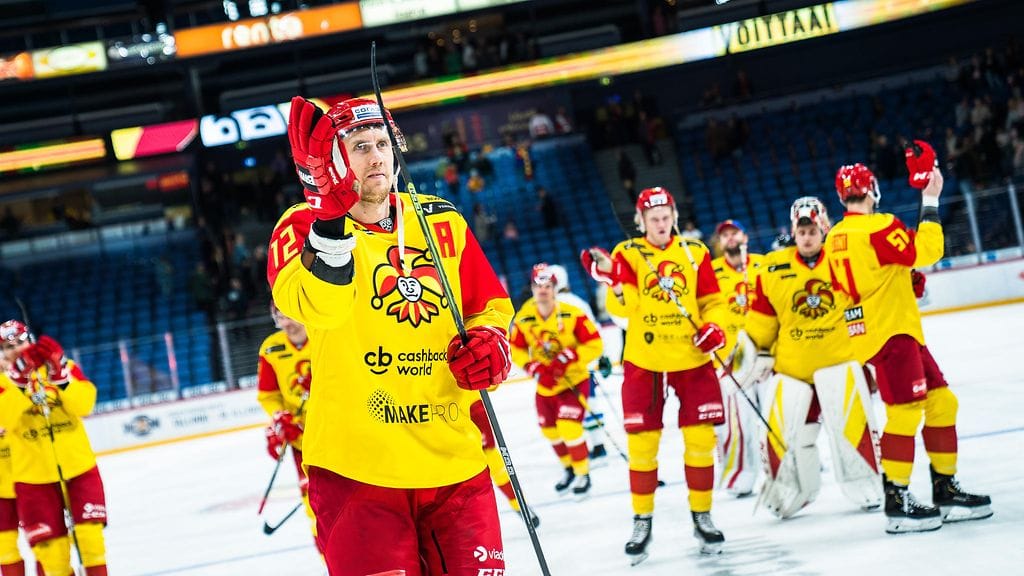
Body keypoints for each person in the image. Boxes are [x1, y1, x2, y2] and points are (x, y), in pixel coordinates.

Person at [268, 96, 514, 575]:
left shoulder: (441, 219)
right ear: (332, 160)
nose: (376, 156)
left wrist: (490, 342)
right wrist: (329, 220)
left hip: (455, 462)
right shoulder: (300, 225)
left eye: (383, 143)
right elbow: (317, 306)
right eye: (360, 147)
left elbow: (490, 306)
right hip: (357, 471)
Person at [826, 141, 991, 534]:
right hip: (893, 332)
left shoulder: (835, 236)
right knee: (904, 411)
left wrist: (901, 278)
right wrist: (930, 198)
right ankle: (897, 498)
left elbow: (854, 284)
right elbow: (928, 250)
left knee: (942, 402)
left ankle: (945, 488)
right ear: (872, 189)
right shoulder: (879, 225)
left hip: (881, 332)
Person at [580, 187, 728, 564]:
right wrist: (612, 280)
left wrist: (715, 326)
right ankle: (641, 521)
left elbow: (712, 301)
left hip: (692, 357)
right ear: (641, 221)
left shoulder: (696, 252)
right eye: (653, 219)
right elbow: (623, 310)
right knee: (642, 447)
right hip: (645, 360)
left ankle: (703, 516)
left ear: (674, 217)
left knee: (701, 441)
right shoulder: (627, 253)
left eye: (665, 217)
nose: (661, 224)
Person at [741, 197, 883, 518]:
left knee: (850, 431)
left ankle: (864, 482)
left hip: (841, 363)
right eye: (802, 231)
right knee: (788, 438)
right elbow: (763, 320)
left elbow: (868, 303)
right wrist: (758, 351)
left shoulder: (844, 258)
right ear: (794, 231)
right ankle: (790, 491)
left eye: (812, 231)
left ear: (824, 229)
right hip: (793, 371)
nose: (807, 237)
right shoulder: (772, 268)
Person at [0, 321, 108, 576]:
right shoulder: (3, 382)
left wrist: (61, 378)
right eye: (8, 347)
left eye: (20, 343)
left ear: (31, 340)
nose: (16, 350)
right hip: (33, 478)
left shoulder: (64, 365)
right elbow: (5, 419)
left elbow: (85, 406)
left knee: (91, 540)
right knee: (52, 555)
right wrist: (18, 383)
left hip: (79, 468)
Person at [510, 263, 603, 498]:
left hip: (573, 381)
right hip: (545, 385)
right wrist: (532, 367)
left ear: (554, 288)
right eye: (538, 286)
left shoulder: (572, 312)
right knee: (550, 431)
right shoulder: (524, 316)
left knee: (569, 428)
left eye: (547, 286)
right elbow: (516, 348)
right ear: (532, 288)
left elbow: (595, 344)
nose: (543, 290)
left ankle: (583, 474)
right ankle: (569, 469)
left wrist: (570, 357)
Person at [256, 303, 320, 555]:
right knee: (313, 502)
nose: (286, 323)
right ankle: (328, 560)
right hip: (301, 438)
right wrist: (279, 418)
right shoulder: (271, 348)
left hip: (337, 431)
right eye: (279, 318)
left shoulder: (323, 336)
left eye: (289, 316)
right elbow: (268, 395)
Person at [709, 219, 764, 498]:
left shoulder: (763, 264)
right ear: (719, 242)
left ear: (745, 236)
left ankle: (787, 466)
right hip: (731, 356)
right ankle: (738, 476)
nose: (730, 238)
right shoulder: (711, 271)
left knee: (776, 412)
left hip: (766, 349)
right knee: (736, 420)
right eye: (725, 235)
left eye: (734, 233)